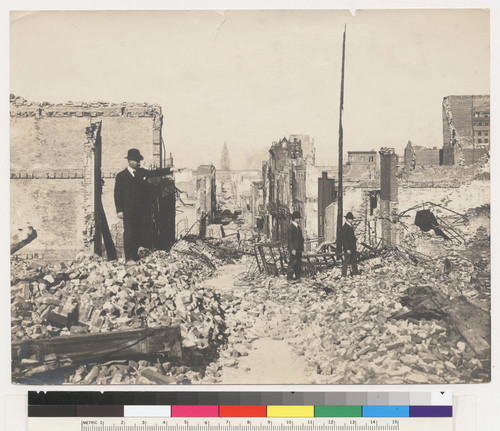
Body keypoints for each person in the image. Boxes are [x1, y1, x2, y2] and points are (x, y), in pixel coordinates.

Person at [114, 149, 149, 265]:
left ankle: (135, 256)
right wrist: (119, 210)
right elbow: (117, 194)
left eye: (138, 160)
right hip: (127, 211)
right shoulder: (121, 176)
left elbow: (154, 173)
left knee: (137, 233)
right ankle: (128, 258)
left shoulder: (141, 173)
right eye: (135, 160)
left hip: (139, 211)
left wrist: (170, 170)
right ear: (129, 161)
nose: (138, 163)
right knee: (128, 234)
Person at [287, 210, 304, 281]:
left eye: (299, 218)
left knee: (298, 263)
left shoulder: (298, 227)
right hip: (294, 249)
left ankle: (298, 277)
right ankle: (289, 277)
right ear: (294, 218)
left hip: (299, 249)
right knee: (292, 263)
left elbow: (301, 238)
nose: (299, 219)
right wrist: (292, 249)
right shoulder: (291, 227)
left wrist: (302, 249)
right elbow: (290, 239)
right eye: (298, 218)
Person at [341, 212, 359, 277]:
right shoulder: (345, 227)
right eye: (351, 219)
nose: (352, 220)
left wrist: (356, 239)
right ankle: (343, 275)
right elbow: (344, 239)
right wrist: (347, 248)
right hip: (348, 248)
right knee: (346, 261)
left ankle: (355, 273)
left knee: (354, 261)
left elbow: (351, 236)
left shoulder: (349, 226)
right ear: (348, 219)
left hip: (353, 247)